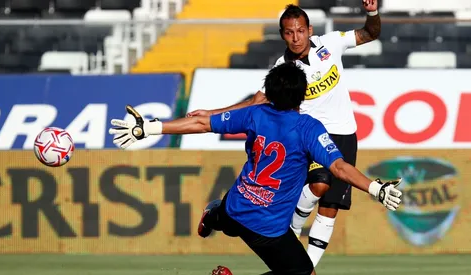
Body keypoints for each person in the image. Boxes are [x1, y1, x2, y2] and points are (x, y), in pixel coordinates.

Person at [109, 62, 402, 275]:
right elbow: (339, 167)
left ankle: (213, 216)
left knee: (225, 216)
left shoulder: (255, 113)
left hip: (236, 208)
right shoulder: (308, 127)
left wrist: (149, 127)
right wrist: (376, 188)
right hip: (268, 226)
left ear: (271, 93)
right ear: (303, 95)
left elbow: (201, 123)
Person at [186, 1, 382, 267]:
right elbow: (255, 102)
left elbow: (370, 33)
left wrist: (372, 12)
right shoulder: (283, 68)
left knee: (330, 208)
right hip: (308, 136)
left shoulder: (332, 43)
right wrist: (212, 113)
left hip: (345, 133)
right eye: (289, 32)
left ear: (309, 30)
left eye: (300, 31)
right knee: (320, 184)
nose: (295, 37)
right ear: (282, 34)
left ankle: (307, 265)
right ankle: (294, 226)